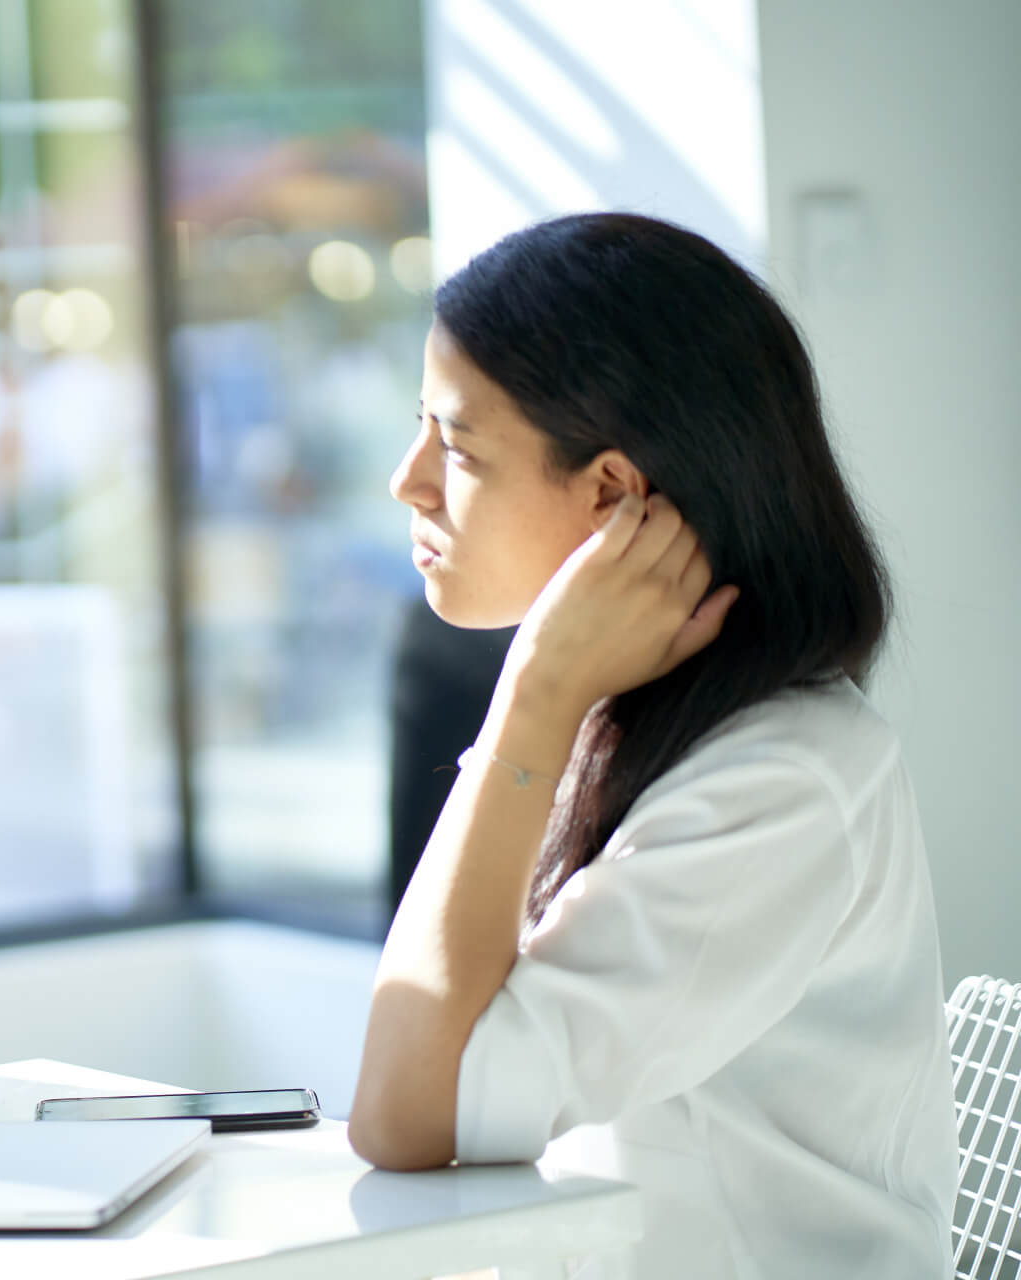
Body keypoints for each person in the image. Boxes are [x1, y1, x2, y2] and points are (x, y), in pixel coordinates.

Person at [347, 213, 955, 1277]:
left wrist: (532, 693)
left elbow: (409, 1112)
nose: (409, 481)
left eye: (457, 444)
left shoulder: (785, 783)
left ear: (613, 496)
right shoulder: (623, 722)